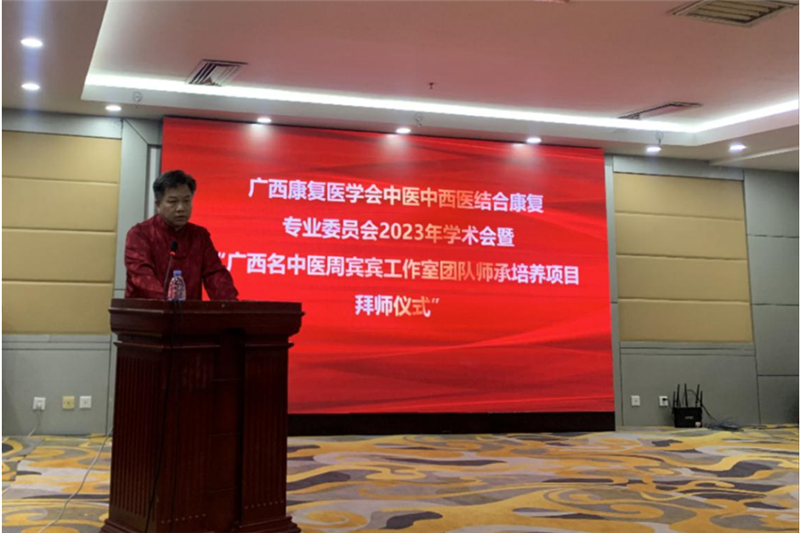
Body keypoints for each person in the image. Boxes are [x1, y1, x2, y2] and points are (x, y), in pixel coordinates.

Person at [124, 169, 238, 300]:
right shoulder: (140, 235)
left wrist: (232, 305)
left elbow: (215, 274)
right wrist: (167, 304)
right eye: (173, 202)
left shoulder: (200, 236)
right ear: (158, 205)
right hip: (146, 312)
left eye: (186, 201)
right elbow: (141, 276)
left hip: (188, 312)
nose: (181, 208)